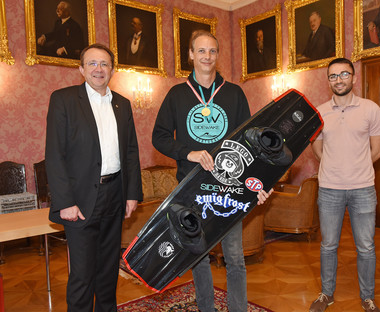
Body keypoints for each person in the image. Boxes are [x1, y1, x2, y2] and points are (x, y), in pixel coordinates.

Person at [152, 30, 271, 312]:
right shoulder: (177, 94)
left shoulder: (234, 93)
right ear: (191, 55)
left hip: (228, 187)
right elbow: (160, 136)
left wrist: (258, 182)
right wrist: (188, 152)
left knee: (235, 257)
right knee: (198, 256)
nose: (207, 56)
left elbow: (250, 141)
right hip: (191, 187)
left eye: (213, 51)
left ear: (218, 56)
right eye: (201, 51)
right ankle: (207, 308)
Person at [45, 43, 142, 312]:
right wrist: (65, 201)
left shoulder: (123, 104)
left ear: (112, 69)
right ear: (81, 69)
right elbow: (55, 155)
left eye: (104, 64)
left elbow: (131, 152)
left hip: (115, 195)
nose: (99, 69)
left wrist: (132, 193)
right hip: (80, 199)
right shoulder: (63, 100)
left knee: (109, 269)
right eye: (92, 63)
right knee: (83, 274)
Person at [309, 58, 380, 312]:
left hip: (363, 188)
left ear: (354, 78)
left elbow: (377, 151)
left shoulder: (371, 109)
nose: (339, 79)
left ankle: (367, 297)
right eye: (333, 76)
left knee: (366, 246)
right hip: (329, 189)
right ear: (328, 80)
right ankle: (326, 294)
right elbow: (318, 149)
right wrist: (336, 167)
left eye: (344, 74)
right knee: (328, 245)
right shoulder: (319, 112)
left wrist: (354, 168)